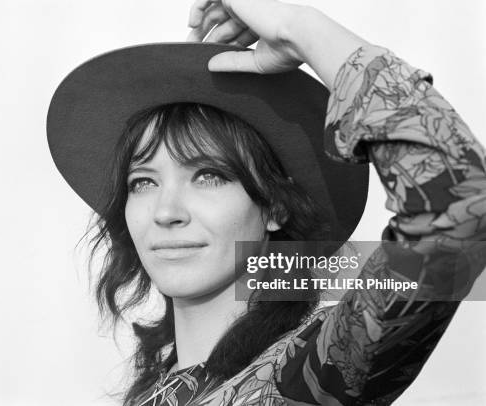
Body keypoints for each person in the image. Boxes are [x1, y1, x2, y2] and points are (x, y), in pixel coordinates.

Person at [47, 0, 486, 404]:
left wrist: (301, 28)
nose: (166, 212)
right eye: (142, 182)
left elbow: (459, 205)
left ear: (275, 205)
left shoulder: (312, 372)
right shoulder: (150, 395)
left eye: (208, 176)